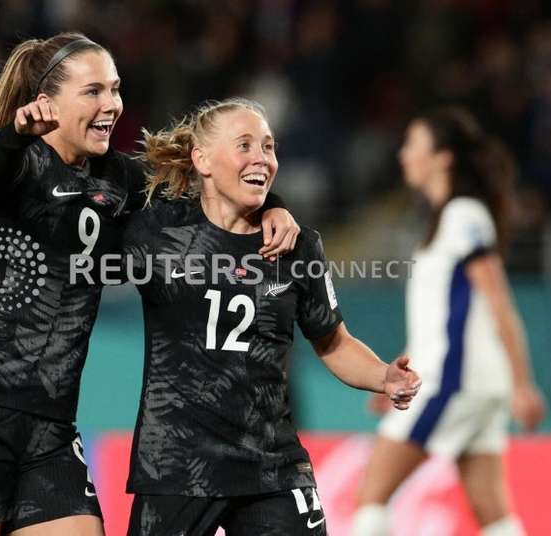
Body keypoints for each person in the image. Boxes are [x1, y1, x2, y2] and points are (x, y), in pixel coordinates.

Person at [0, 33, 299, 536]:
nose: (111, 104)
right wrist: (16, 133)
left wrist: (276, 201)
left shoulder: (117, 178)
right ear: (46, 102)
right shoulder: (13, 163)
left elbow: (207, 188)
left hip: (50, 428)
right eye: (93, 92)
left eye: (115, 89)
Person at [117, 97, 422, 535]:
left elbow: (333, 341)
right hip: (177, 465)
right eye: (245, 145)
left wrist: (383, 376)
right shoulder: (158, 232)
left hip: (271, 466)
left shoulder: (297, 248)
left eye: (268, 146)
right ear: (201, 159)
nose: (262, 158)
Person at [352, 107, 546, 536]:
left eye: (412, 144)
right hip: (475, 385)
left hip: (451, 382)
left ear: (443, 157)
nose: (403, 155)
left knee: (370, 496)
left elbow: (499, 302)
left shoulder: (463, 215)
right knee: (493, 514)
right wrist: (396, 375)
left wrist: (523, 381)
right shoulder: (452, 219)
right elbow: (437, 319)